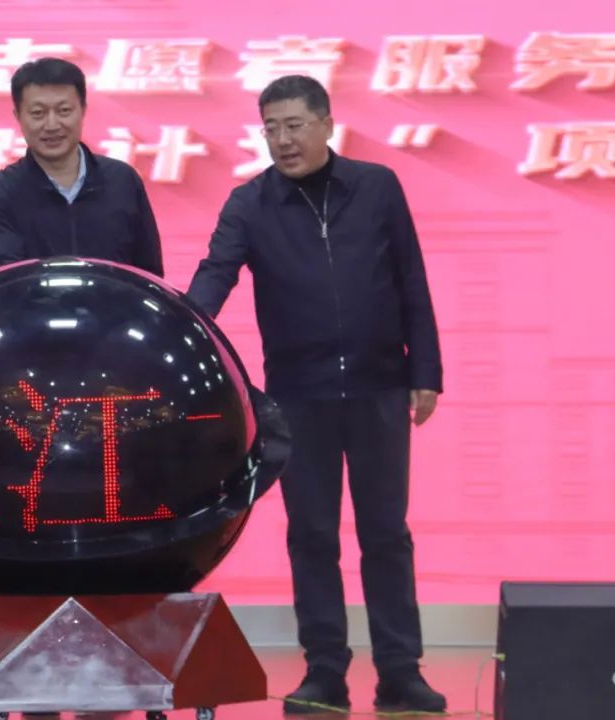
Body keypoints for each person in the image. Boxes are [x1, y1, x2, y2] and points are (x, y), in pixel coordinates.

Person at [186, 75, 447, 715]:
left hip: (380, 386)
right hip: (299, 396)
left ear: (327, 124)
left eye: (295, 125)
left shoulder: (376, 187)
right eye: (271, 128)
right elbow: (215, 276)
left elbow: (411, 277)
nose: (283, 139)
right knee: (311, 536)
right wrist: (181, 331)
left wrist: (426, 370)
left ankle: (400, 671)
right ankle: (325, 671)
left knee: (386, 534)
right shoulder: (250, 204)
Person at [0, 57, 164, 276]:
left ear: (82, 110)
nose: (52, 125)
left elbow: (149, 275)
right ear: (18, 116)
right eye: (38, 113)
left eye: (64, 110)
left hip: (116, 301)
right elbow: (6, 280)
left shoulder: (122, 180)